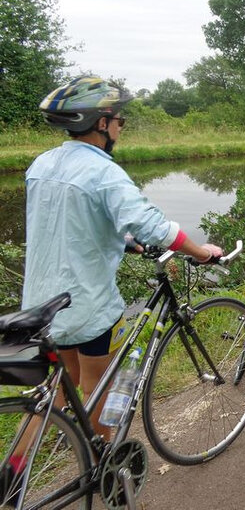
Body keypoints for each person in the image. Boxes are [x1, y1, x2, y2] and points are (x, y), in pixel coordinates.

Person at [21, 76, 223, 444]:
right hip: (86, 303)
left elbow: (72, 223)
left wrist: (124, 241)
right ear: (102, 123)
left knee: (56, 390)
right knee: (100, 381)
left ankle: (13, 477)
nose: (121, 128)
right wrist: (201, 251)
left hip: (43, 303)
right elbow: (154, 226)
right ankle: (104, 463)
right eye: (120, 121)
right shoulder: (103, 172)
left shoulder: (41, 164)